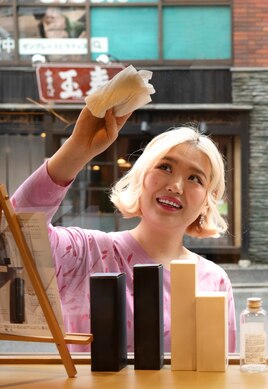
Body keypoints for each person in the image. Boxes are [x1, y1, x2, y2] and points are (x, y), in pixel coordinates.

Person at [10, 106, 236, 353]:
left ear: (207, 200)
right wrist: (77, 148)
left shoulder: (214, 280)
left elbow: (222, 373)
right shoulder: (86, 254)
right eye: (165, 167)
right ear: (140, 177)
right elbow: (17, 232)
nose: (176, 186)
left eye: (195, 178)